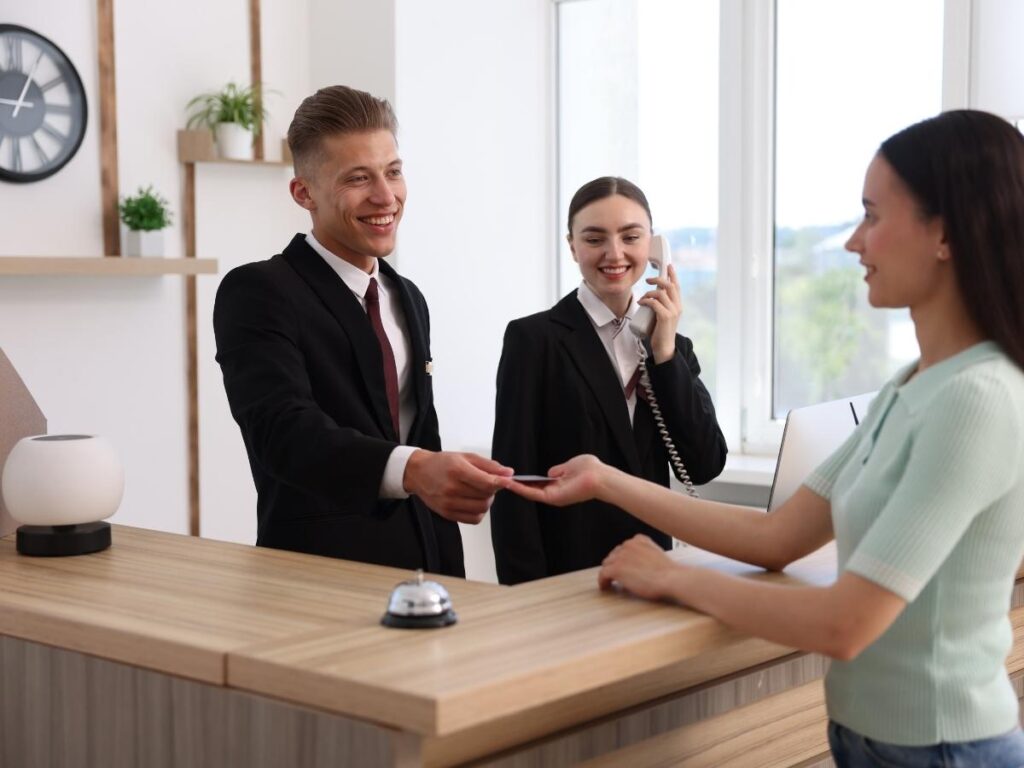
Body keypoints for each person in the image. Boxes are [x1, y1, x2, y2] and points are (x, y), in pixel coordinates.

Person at [507, 110, 1024, 765]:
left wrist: (674, 577)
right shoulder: (908, 388)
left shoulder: (973, 399)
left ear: (943, 232)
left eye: (872, 215)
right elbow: (775, 538)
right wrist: (605, 480)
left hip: (943, 747)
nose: (852, 244)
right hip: (876, 741)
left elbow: (845, 623)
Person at [213, 85, 511, 576]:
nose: (385, 195)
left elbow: (418, 431)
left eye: (393, 172)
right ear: (303, 192)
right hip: (319, 579)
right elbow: (283, 433)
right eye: (359, 178)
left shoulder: (407, 296)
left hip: (431, 575)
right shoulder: (257, 290)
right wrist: (415, 470)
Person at [491, 176, 727, 584]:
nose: (614, 253)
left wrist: (665, 354)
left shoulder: (672, 346)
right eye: (595, 238)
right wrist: (523, 597)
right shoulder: (534, 340)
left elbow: (704, 464)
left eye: (630, 237)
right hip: (568, 577)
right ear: (572, 246)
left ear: (653, 246)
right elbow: (513, 486)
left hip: (653, 572)